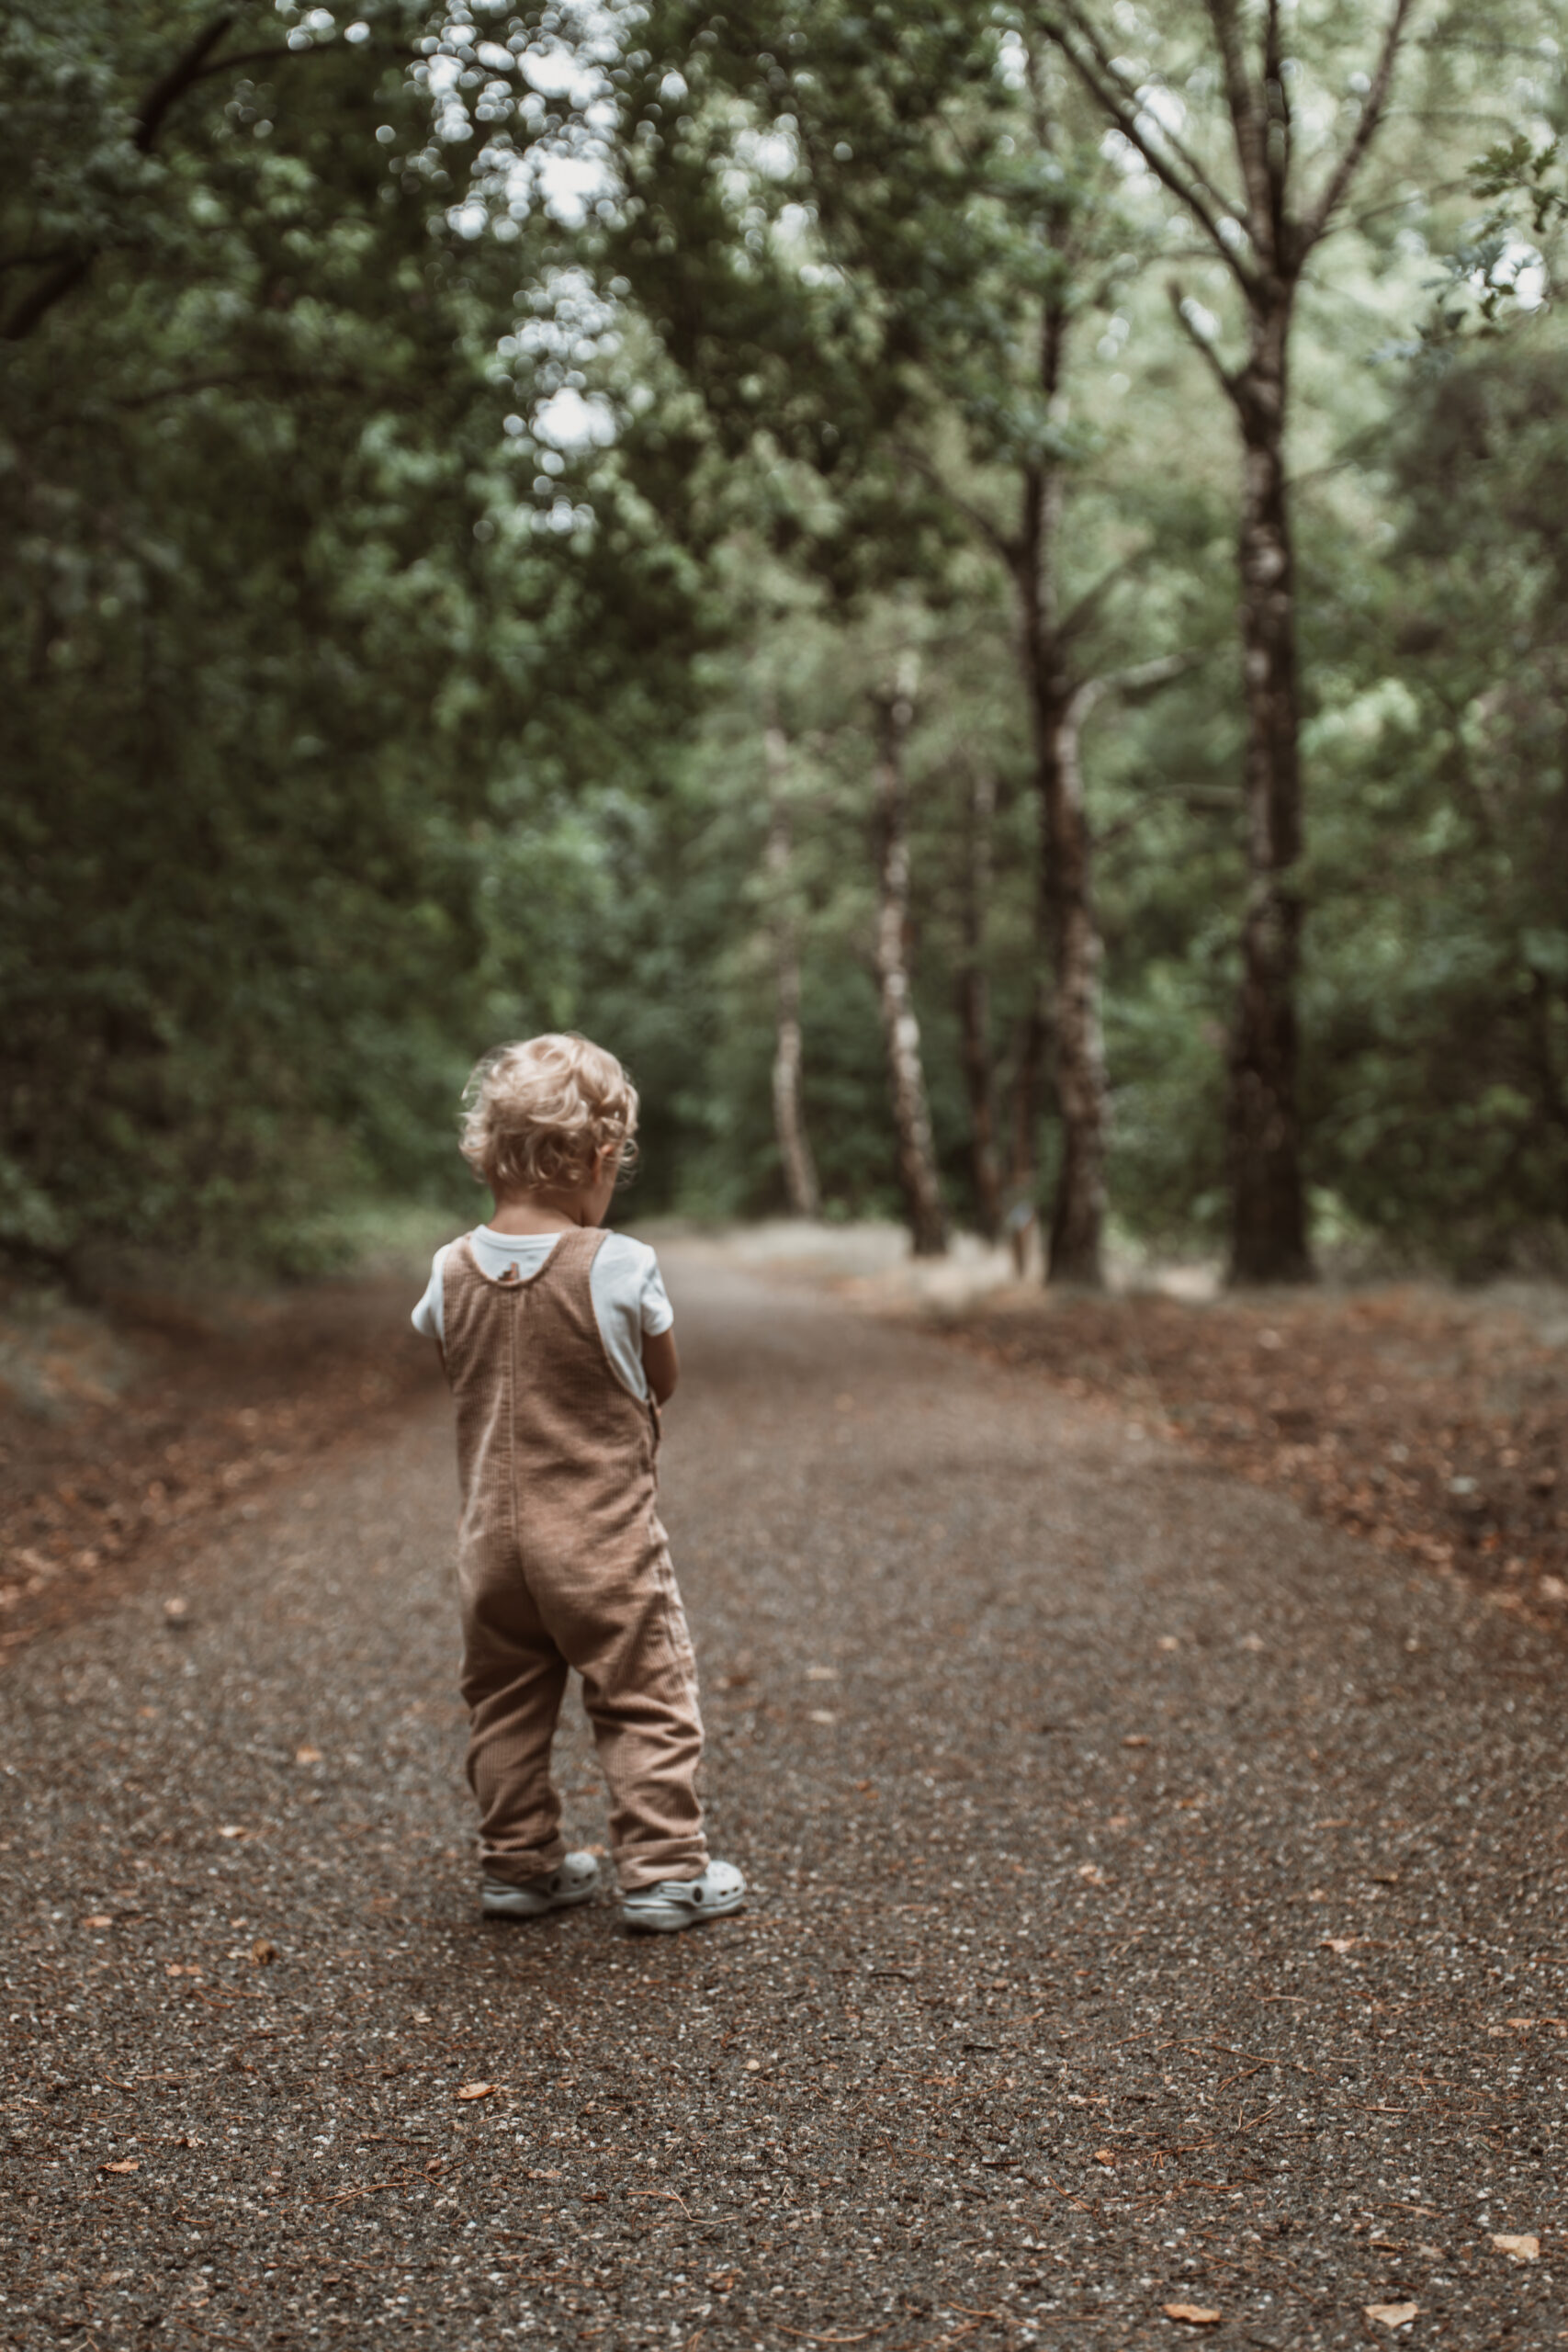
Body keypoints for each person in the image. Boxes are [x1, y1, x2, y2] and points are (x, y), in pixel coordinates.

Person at [412, 1033, 744, 1935]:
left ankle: (518, 1868)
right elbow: (658, 1380)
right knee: (643, 1695)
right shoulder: (618, 1263)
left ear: (486, 1152)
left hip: (492, 1549)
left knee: (506, 1704)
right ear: (599, 1159)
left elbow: (465, 1370)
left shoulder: (447, 1270)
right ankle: (665, 1872)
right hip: (601, 1545)